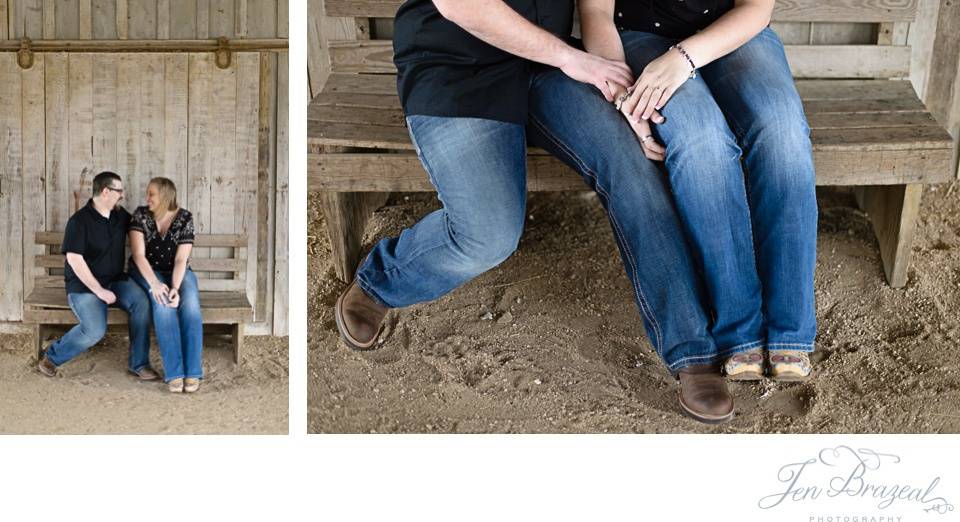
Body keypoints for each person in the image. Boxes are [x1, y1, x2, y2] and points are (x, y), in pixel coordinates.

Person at [334, 0, 738, 423]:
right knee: (486, 237)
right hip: (459, 66)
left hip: (551, 67)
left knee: (634, 170)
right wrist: (573, 59)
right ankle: (382, 282)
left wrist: (623, 98)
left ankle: (692, 351)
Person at [579, 0, 818, 381]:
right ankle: (739, 331)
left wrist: (684, 58)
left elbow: (756, 8)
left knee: (782, 131)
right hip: (641, 41)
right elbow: (595, 14)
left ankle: (791, 326)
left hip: (735, 34)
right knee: (700, 141)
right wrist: (627, 99)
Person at [38, 172, 157, 381]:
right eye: (119, 191)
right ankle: (51, 357)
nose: (122, 195)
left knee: (142, 303)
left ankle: (139, 364)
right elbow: (75, 261)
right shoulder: (79, 222)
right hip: (84, 287)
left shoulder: (119, 216)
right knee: (94, 330)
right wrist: (99, 291)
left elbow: (142, 225)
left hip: (116, 280)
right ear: (105, 192)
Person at [128, 177, 204, 394]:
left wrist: (175, 288)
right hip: (146, 271)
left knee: (190, 307)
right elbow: (138, 256)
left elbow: (181, 260)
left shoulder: (185, 218)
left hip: (178, 272)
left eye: (151, 193)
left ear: (164, 195)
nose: (147, 198)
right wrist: (156, 284)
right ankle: (175, 372)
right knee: (162, 305)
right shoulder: (140, 216)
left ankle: (193, 371)